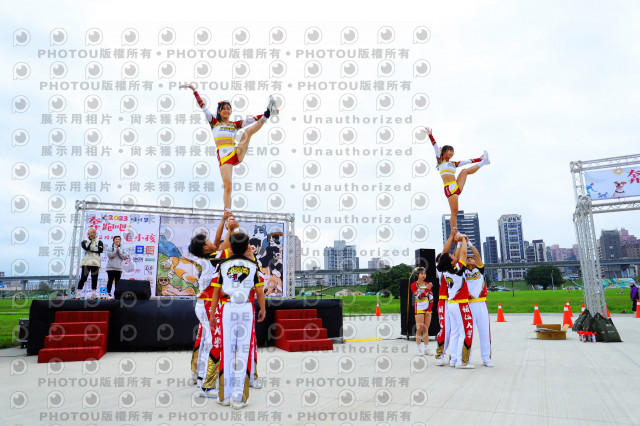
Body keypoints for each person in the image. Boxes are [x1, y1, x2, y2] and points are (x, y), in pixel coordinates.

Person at [180, 85, 278, 211]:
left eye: (228, 109)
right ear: (219, 111)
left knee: (247, 132)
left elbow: (251, 120)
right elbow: (203, 106)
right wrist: (194, 91)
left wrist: (266, 114)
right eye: (224, 109)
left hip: (236, 151)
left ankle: (268, 114)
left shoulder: (234, 125)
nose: (226, 111)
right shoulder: (214, 122)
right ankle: (228, 212)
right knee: (228, 186)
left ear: (231, 111)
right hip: (224, 155)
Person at [210, 232, 266, 410]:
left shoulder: (222, 265)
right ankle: (238, 397)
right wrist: (263, 309)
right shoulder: (254, 265)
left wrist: (212, 314)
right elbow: (259, 292)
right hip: (246, 308)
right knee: (243, 351)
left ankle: (225, 396)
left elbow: (216, 292)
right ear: (247, 247)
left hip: (228, 308)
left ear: (231, 248)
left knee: (227, 350)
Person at [188, 211, 233, 393]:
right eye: (208, 241)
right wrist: (230, 229)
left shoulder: (208, 257)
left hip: (203, 304)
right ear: (205, 248)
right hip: (208, 305)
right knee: (213, 341)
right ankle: (207, 384)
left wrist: (223, 220)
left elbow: (217, 240)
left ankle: (199, 374)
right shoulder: (213, 258)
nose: (213, 241)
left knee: (206, 340)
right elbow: (227, 246)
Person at [426, 127, 490, 230]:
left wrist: (480, 158)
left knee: (464, 171)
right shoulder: (440, 161)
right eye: (449, 151)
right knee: (454, 212)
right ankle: (454, 232)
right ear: (444, 152)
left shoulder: (453, 163)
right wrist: (430, 135)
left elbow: (468, 161)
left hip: (456, 185)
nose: (452, 153)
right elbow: (435, 146)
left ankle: (484, 162)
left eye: (453, 151)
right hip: (450, 189)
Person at [437, 234, 474, 369]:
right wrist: (463, 239)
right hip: (460, 303)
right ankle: (462, 361)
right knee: (465, 331)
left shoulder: (445, 270)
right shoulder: (457, 269)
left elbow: (454, 254)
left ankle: (454, 359)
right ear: (452, 262)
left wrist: (457, 243)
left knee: (455, 333)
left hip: (452, 304)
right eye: (452, 257)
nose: (454, 256)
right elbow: (463, 254)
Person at [465, 240, 493, 367]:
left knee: (484, 332)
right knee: (468, 333)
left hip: (481, 303)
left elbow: (477, 254)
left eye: (471, 259)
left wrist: (469, 243)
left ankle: (486, 358)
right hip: (469, 303)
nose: (470, 260)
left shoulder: (480, 270)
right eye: (468, 259)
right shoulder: (463, 271)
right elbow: (461, 256)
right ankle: (467, 358)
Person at [435, 228, 456, 366]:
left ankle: (454, 356)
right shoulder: (442, 270)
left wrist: (458, 242)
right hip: (444, 302)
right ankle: (439, 355)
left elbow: (456, 254)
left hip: (456, 302)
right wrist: (451, 236)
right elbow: (445, 252)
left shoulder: (456, 268)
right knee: (445, 330)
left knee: (456, 330)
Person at [411, 267, 433, 356]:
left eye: (424, 274)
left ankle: (427, 349)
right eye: (421, 274)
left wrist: (429, 310)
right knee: (419, 329)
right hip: (419, 308)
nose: (423, 275)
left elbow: (431, 298)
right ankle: (419, 349)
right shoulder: (414, 285)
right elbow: (419, 297)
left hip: (427, 308)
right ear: (417, 275)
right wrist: (427, 289)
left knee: (426, 329)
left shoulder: (428, 284)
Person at [76, 228, 104, 299]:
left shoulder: (100, 242)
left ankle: (93, 294)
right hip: (86, 262)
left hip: (96, 262)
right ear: (88, 234)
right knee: (83, 278)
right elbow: (86, 248)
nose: (92, 234)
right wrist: (91, 242)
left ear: (96, 234)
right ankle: (78, 294)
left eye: (94, 232)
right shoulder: (84, 241)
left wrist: (92, 248)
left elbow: (100, 250)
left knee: (94, 278)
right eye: (91, 232)